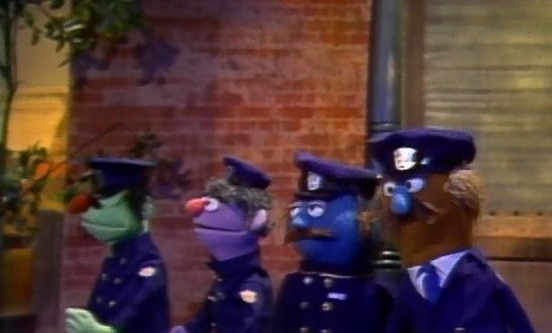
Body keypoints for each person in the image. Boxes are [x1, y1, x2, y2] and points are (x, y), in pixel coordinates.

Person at [371, 127, 535, 333]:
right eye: (391, 190)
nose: (400, 205)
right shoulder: (405, 289)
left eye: (414, 186)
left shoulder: (483, 281)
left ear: (462, 194)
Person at [272, 150, 393, 333]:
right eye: (297, 209)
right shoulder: (293, 285)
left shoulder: (375, 293)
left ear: (365, 216)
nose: (299, 222)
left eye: (315, 209)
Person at [64, 157, 170, 333]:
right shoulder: (115, 260)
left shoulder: (148, 264)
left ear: (145, 208)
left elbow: (133, 309)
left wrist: (98, 330)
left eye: (113, 204)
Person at [170, 155, 273, 333]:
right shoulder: (225, 279)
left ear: (256, 220)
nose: (199, 209)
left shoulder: (251, 285)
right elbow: (202, 321)